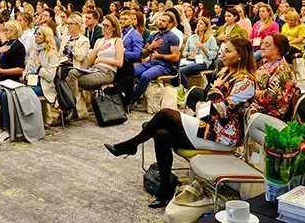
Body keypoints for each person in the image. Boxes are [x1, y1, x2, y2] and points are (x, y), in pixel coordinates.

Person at [104, 38, 256, 208]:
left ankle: (131, 145)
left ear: (240, 56)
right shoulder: (227, 73)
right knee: (161, 135)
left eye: (228, 51)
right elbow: (209, 99)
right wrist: (208, 98)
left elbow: (222, 110)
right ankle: (165, 192)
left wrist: (214, 90)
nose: (222, 54)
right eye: (223, 50)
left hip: (223, 137)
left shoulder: (246, 82)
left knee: (166, 115)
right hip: (210, 125)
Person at [0, 25, 59, 144]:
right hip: (29, 83)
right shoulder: (34, 51)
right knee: (0, 93)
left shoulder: (51, 53)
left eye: (39, 34)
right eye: (35, 34)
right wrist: (26, 76)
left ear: (46, 37)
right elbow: (26, 70)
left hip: (43, 86)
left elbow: (50, 77)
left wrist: (38, 66)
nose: (36, 36)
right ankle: (4, 127)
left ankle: (9, 130)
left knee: (7, 95)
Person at [66, 15, 124, 119]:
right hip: (94, 69)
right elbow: (89, 63)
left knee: (72, 81)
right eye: (103, 25)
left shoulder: (117, 41)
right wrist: (96, 50)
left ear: (114, 28)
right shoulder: (99, 41)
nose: (104, 28)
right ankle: (76, 108)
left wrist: (101, 59)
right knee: (72, 73)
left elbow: (120, 63)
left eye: (107, 26)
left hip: (107, 72)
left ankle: (73, 108)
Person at [130, 12, 180, 105]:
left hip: (164, 66)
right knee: (129, 72)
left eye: (163, 21)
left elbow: (176, 57)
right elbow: (143, 54)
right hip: (150, 63)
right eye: (159, 20)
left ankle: (131, 100)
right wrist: (151, 47)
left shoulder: (173, 37)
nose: (160, 22)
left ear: (170, 24)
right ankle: (126, 95)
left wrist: (159, 56)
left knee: (145, 76)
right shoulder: (153, 35)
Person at [248, 33, 298, 120]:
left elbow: (269, 98)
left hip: (270, 113)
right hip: (256, 105)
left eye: (267, 44)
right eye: (262, 43)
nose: (262, 47)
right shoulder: (265, 65)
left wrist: (250, 92)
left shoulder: (283, 69)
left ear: (279, 49)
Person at [0, 20, 26, 96]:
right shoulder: (6, 44)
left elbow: (20, 69)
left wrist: (1, 71)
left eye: (6, 30)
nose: (5, 32)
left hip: (9, 78)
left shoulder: (19, 47)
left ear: (14, 31)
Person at [179, 17, 218, 88]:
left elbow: (213, 56)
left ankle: (187, 89)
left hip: (203, 62)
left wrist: (203, 47)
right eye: (198, 23)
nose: (198, 25)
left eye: (201, 23)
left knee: (181, 71)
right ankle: (180, 88)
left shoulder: (211, 39)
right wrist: (189, 54)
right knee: (174, 69)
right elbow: (184, 52)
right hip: (190, 61)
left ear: (206, 27)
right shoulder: (192, 37)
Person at [59, 13, 90, 80]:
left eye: (71, 24)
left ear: (78, 25)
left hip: (75, 66)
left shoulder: (84, 40)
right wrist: (62, 58)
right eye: (68, 24)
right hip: (63, 64)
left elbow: (81, 57)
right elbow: (60, 53)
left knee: (60, 71)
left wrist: (72, 47)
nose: (68, 26)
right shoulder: (65, 39)